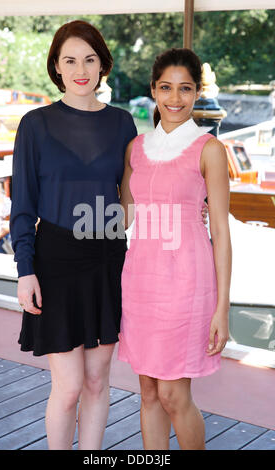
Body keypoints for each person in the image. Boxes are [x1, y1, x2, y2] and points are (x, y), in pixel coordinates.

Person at [9, 20, 137, 451]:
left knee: (99, 382)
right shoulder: (35, 124)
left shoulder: (123, 124)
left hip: (107, 260)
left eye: (89, 59)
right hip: (55, 261)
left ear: (102, 65)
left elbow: (130, 199)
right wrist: (25, 271)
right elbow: (22, 207)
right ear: (57, 68)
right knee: (68, 387)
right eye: (70, 60)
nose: (81, 68)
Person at [118, 48, 232, 450]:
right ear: (153, 90)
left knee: (172, 395)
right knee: (148, 392)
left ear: (197, 92)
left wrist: (222, 306)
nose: (175, 98)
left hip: (185, 283)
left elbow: (221, 229)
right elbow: (122, 218)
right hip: (139, 283)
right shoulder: (135, 148)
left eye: (185, 89)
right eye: (166, 88)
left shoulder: (209, 150)